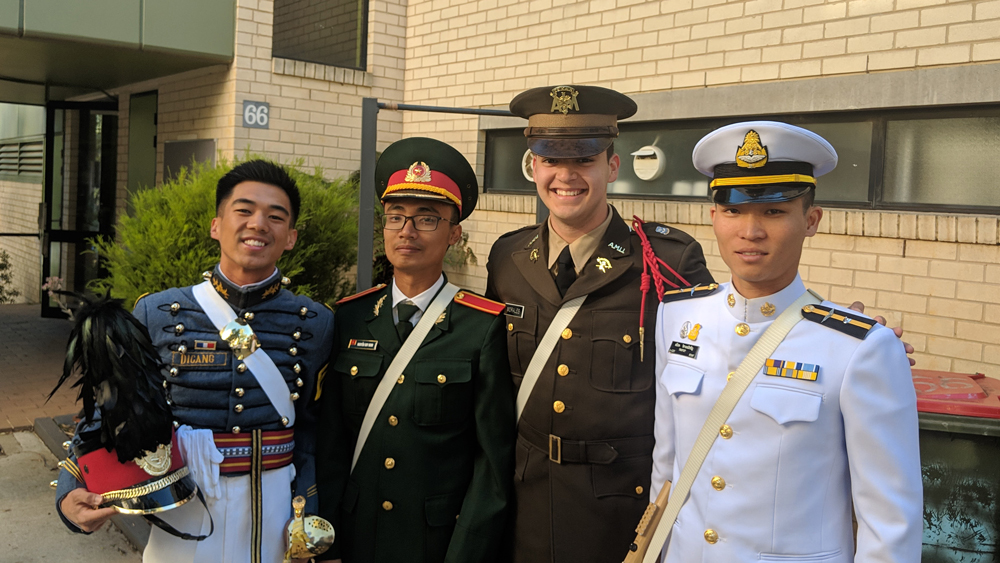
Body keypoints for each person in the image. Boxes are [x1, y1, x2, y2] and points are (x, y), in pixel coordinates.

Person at [649, 121, 922, 562]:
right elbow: (666, 465)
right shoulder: (677, 316)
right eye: (733, 211)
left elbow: (890, 520)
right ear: (713, 216)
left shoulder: (858, 348)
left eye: (774, 212)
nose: (751, 231)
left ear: (810, 221)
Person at [54, 159, 337, 563]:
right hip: (182, 499)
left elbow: (314, 429)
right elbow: (109, 409)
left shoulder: (317, 323)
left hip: (275, 506)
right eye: (243, 210)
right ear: (216, 226)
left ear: (290, 237)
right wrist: (69, 488)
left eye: (275, 217)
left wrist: (310, 509)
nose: (258, 224)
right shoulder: (158, 311)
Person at [485, 85, 715, 562]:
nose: (565, 177)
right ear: (533, 166)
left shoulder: (666, 261)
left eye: (584, 160)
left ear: (612, 165)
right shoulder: (507, 257)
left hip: (622, 515)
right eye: (549, 159)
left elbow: (727, 347)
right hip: (525, 504)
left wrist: (818, 339)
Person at [315, 137, 515, 563]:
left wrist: (466, 553)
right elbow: (330, 442)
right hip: (355, 535)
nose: (407, 231)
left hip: (435, 543)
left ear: (454, 234)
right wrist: (326, 537)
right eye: (396, 217)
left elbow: (492, 465)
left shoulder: (480, 325)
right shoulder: (349, 318)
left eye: (427, 219)